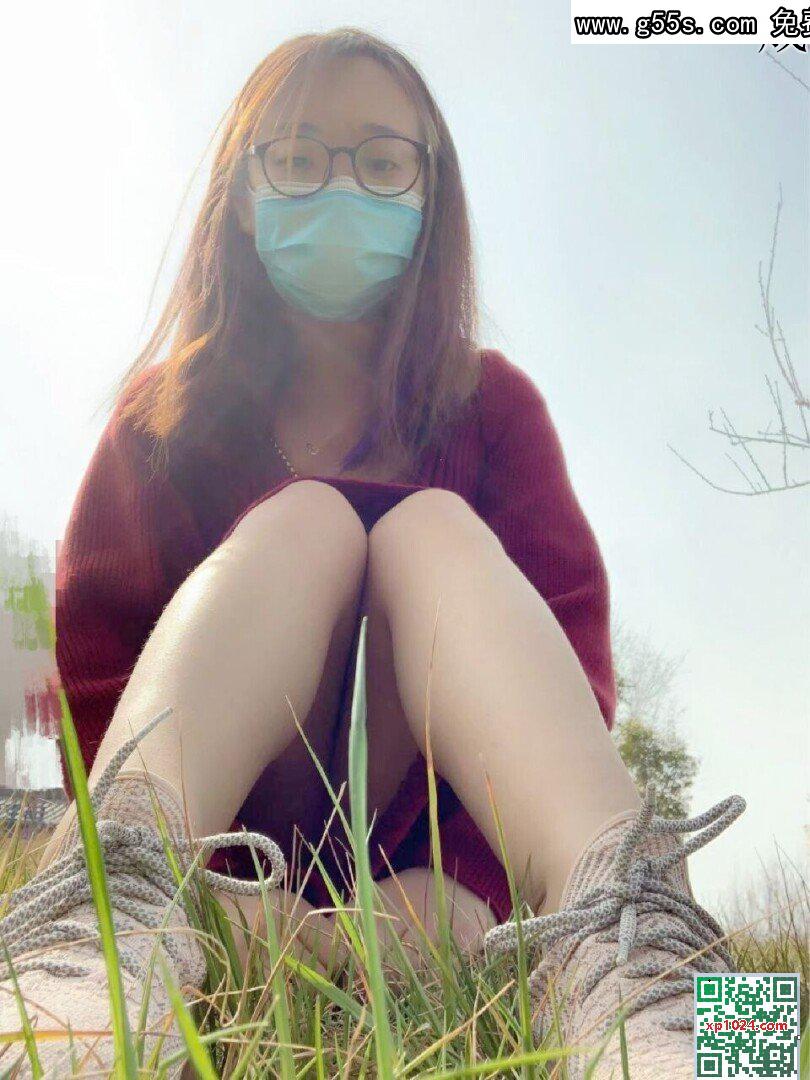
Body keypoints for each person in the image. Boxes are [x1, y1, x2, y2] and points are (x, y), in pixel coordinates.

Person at [0, 26, 745, 1078]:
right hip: (203, 865)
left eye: (382, 161)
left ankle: (649, 953)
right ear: (240, 193)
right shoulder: (156, 423)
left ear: (431, 194)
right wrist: (214, 890)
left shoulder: (497, 405)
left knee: (430, 529)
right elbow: (96, 670)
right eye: (298, 156)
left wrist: (468, 884)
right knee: (307, 523)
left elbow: (569, 674)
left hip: (444, 888)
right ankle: (96, 923)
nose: (339, 187)